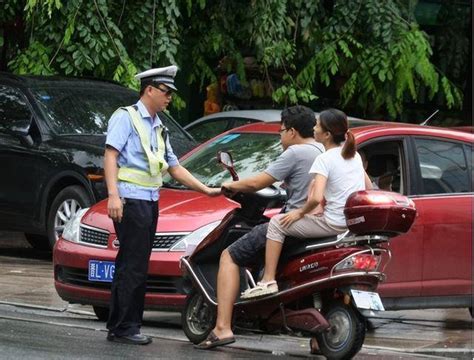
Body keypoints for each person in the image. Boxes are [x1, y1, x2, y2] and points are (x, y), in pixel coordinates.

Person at [104, 65, 220, 345]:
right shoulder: (126, 117)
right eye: (166, 92)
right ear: (150, 90)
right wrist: (113, 195)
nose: (169, 98)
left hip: (150, 202)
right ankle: (126, 328)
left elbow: (174, 168)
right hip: (132, 201)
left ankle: (119, 325)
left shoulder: (159, 126)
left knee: (132, 263)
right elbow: (110, 156)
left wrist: (205, 189)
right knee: (133, 265)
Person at [195, 105, 324, 349]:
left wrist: (228, 186)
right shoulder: (324, 150)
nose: (280, 134)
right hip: (320, 226)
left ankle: (222, 327)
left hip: (291, 224)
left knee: (230, 256)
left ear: (293, 132)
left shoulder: (295, 152)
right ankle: (318, 339)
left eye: (282, 130)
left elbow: (258, 182)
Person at [241, 108, 373, 299]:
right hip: (349, 223)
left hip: (333, 223)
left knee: (277, 224)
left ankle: (267, 281)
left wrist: (298, 213)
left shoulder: (324, 158)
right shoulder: (354, 155)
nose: (314, 128)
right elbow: (367, 188)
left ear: (326, 134)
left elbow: (315, 198)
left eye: (318, 125)